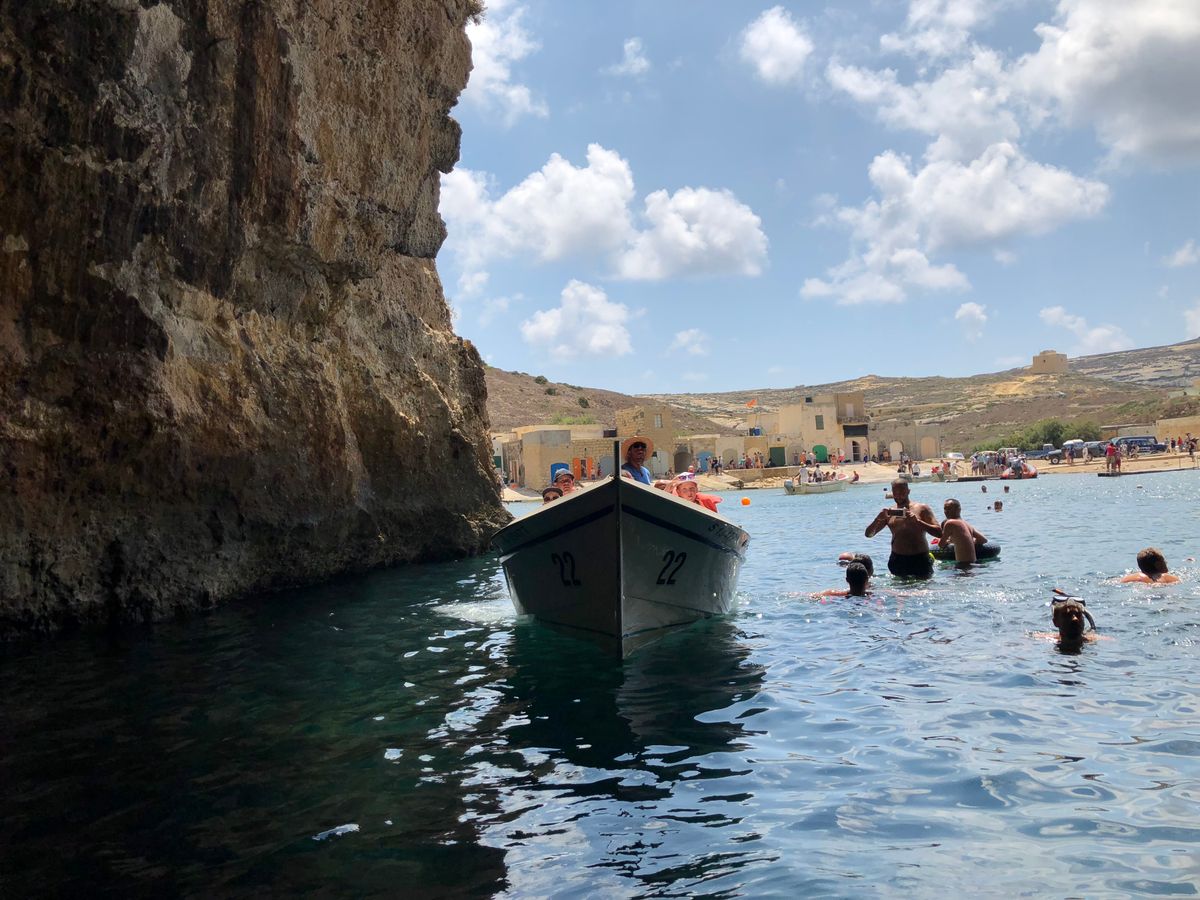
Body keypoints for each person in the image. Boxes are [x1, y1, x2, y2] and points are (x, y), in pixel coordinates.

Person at [864, 480, 941, 578]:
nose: (899, 496)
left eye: (902, 492)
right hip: (898, 560)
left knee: (924, 586)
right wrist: (877, 519)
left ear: (908, 491)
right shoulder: (889, 513)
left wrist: (918, 522)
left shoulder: (922, 509)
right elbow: (869, 534)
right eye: (895, 493)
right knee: (898, 587)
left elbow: (939, 533)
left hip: (920, 559)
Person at [939, 499, 988, 563]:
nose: (946, 511)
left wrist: (948, 542)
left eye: (949, 509)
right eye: (945, 509)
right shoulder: (967, 524)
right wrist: (971, 542)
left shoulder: (950, 523)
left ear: (958, 510)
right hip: (973, 564)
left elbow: (941, 544)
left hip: (963, 565)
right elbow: (983, 540)